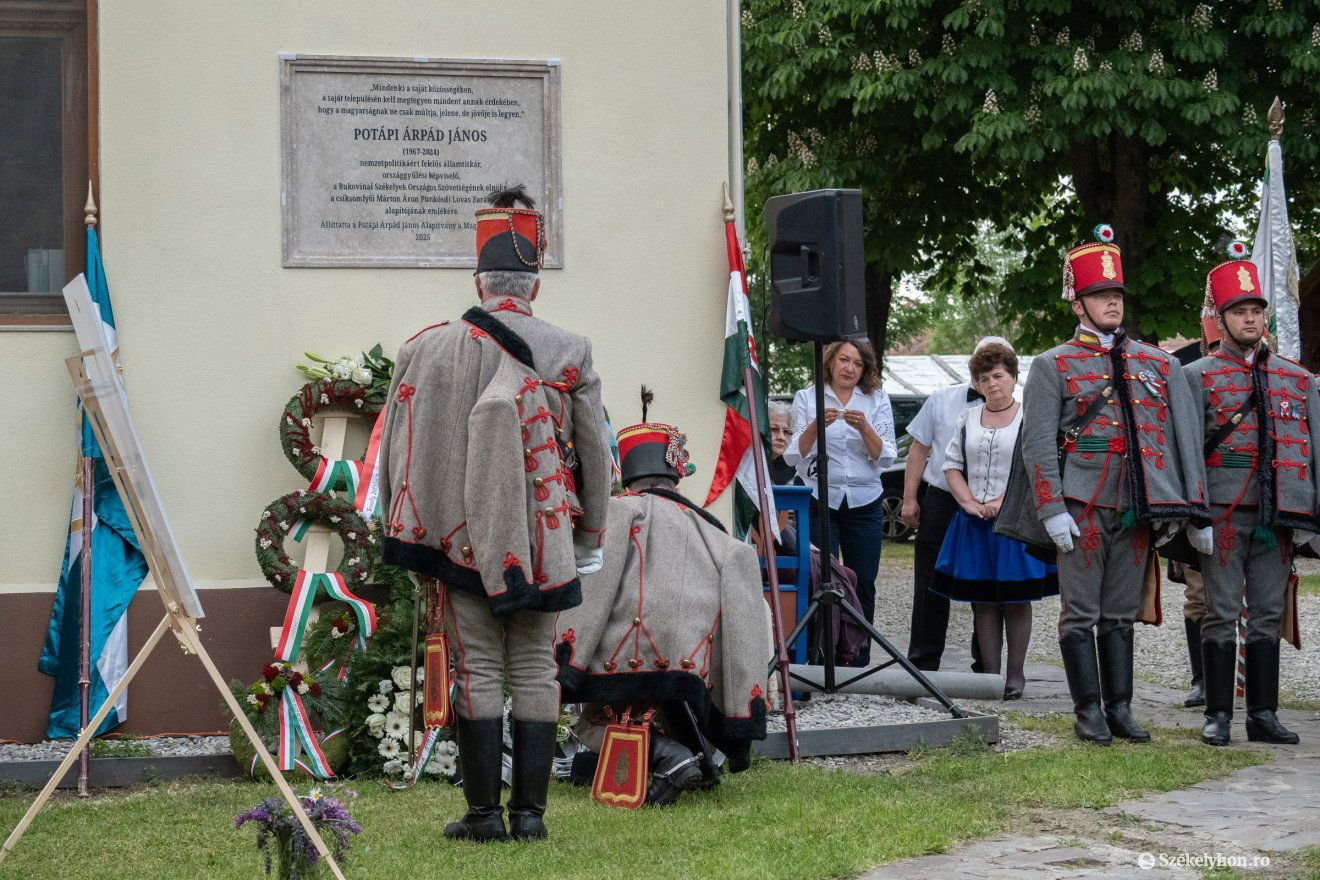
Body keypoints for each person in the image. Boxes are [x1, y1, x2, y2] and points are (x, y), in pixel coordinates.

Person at [378, 185, 614, 842]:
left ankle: (483, 816)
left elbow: (399, 450)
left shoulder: (424, 349)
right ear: (534, 285)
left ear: (479, 281)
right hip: (542, 537)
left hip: (455, 543)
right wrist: (589, 534)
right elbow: (596, 451)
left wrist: (407, 531)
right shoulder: (572, 349)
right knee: (536, 664)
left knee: (477, 665)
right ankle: (531, 819)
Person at [996, 223, 1209, 746]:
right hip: (1081, 506)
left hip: (1136, 505)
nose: (1111, 303)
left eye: (1115, 294)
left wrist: (1181, 506)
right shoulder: (1052, 365)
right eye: (1099, 294)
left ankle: (1120, 708)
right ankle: (1087, 709)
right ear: (1078, 304)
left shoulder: (1155, 363)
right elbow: (1038, 445)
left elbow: (1176, 438)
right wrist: (1051, 508)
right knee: (1081, 612)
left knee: (1119, 612)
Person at [555, 391, 772, 805]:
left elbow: (596, 584)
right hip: (694, 651)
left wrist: (567, 652)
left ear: (627, 472)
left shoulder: (620, 511)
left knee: (593, 721)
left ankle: (667, 755)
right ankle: (686, 761)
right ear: (676, 473)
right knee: (665, 700)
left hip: (629, 642)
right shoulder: (710, 527)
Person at [1182, 243, 1319, 746]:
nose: (1250, 318)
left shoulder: (1296, 379)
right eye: (1239, 311)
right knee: (1219, 610)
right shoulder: (1196, 377)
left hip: (1276, 514)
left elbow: (1313, 450)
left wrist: (1312, 513)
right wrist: (1194, 512)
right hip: (1220, 511)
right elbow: (1187, 451)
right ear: (1221, 319)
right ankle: (1218, 713)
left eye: (1256, 310)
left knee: (1266, 612)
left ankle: (1262, 714)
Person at [929, 343, 1058, 700]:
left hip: (1014, 521)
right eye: (984, 378)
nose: (992, 384)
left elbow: (1035, 465)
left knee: (1016, 600)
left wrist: (1002, 501)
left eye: (998, 376)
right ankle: (990, 676)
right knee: (983, 600)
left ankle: (1016, 676)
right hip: (974, 522)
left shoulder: (1028, 417)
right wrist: (968, 501)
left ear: (1014, 378)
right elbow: (951, 465)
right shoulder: (967, 418)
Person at [901, 336, 1013, 672]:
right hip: (942, 501)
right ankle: (923, 660)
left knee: (988, 583)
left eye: (997, 368)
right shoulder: (941, 399)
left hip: (992, 504)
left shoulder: (1016, 408)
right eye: (982, 366)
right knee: (930, 580)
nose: (989, 376)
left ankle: (986, 663)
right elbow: (918, 451)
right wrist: (909, 498)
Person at [783, 339, 897, 665]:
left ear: (866, 369)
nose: (849, 368)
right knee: (823, 579)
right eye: (844, 360)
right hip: (821, 499)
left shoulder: (877, 399)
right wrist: (818, 425)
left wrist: (866, 430)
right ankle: (824, 658)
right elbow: (793, 455)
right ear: (831, 362)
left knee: (863, 580)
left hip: (865, 501)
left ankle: (859, 659)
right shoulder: (807, 397)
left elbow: (885, 457)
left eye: (858, 363)